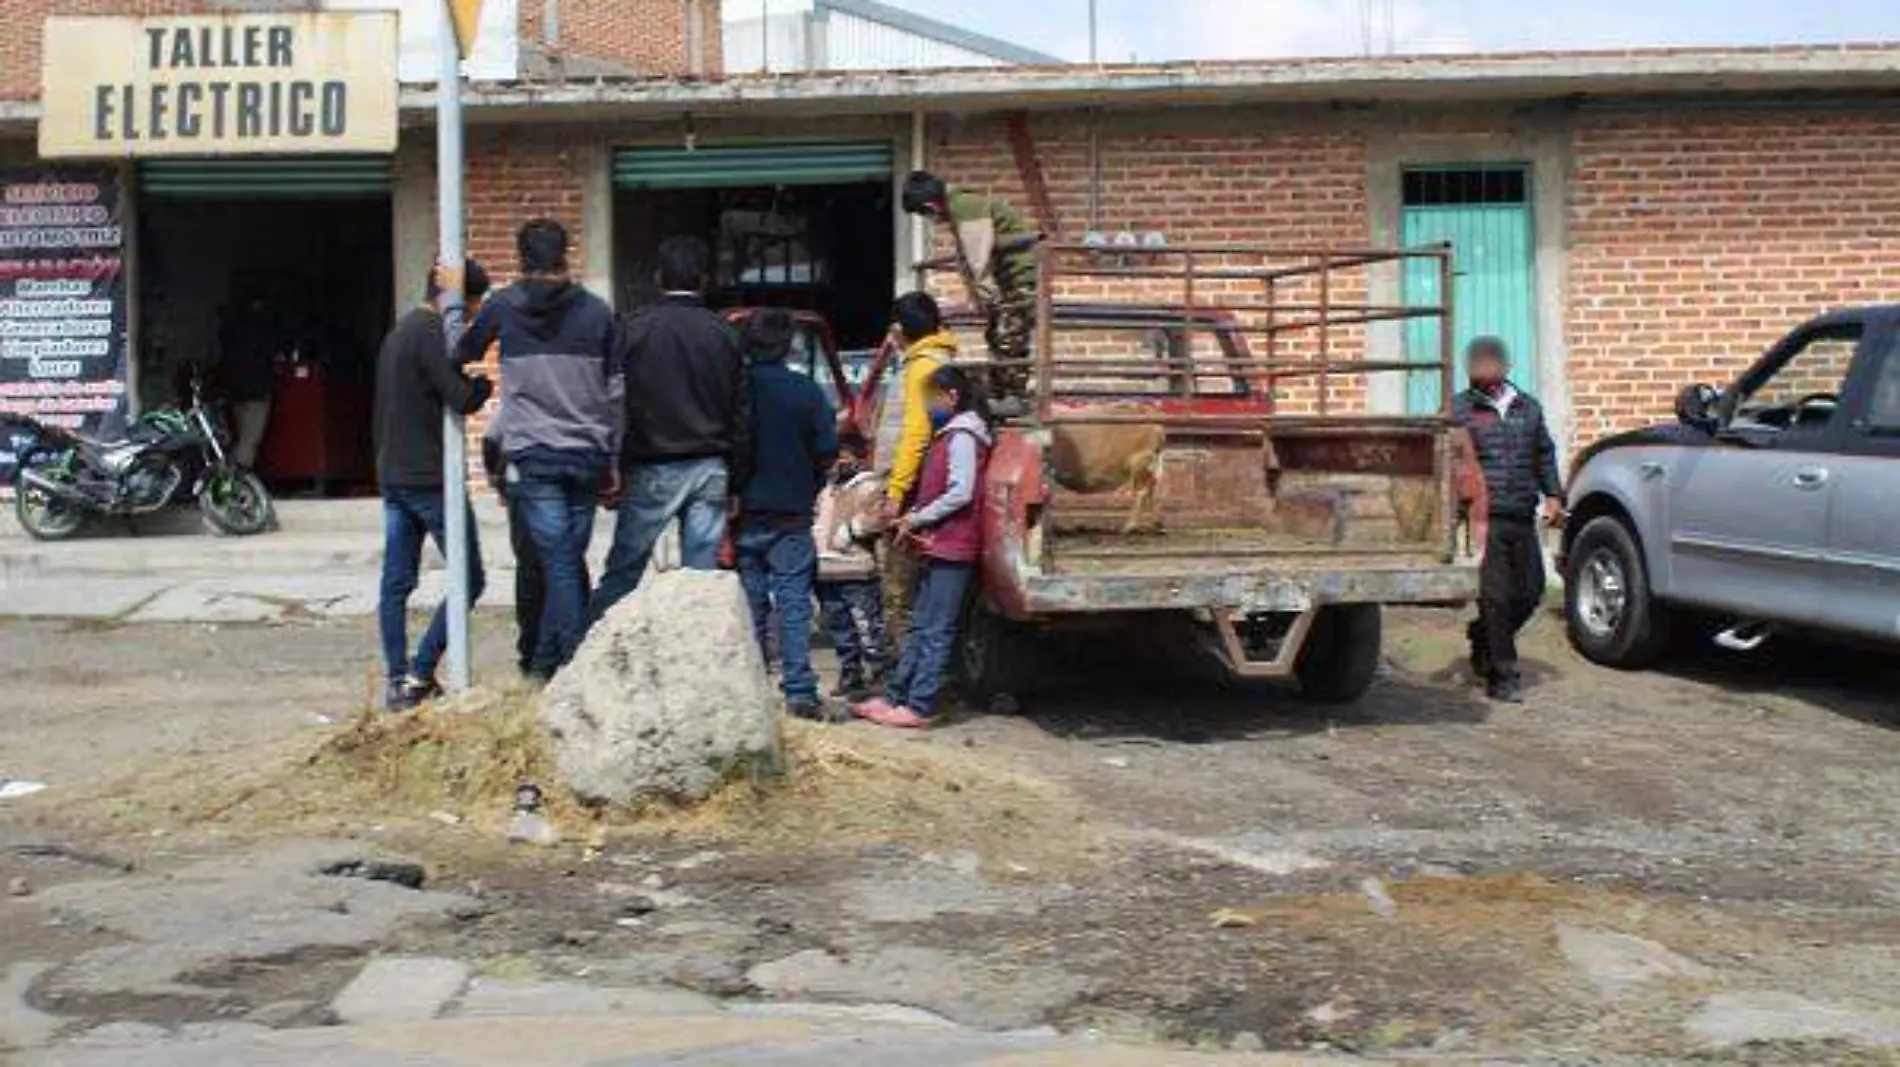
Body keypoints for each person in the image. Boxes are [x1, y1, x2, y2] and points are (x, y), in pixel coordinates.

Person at [461, 219, 621, 681]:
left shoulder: (503, 307)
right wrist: (614, 456)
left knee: (559, 561)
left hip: (535, 453)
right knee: (567, 558)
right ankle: (552, 661)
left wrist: (453, 305)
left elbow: (461, 352)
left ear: (520, 258)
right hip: (588, 452)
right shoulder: (597, 312)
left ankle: (568, 662)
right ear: (565, 257)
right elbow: (616, 392)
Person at [592, 235, 751, 618]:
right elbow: (742, 415)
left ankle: (587, 652)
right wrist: (739, 481)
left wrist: (612, 463)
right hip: (711, 466)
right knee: (701, 578)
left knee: (624, 570)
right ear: (705, 280)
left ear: (658, 277)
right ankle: (696, 659)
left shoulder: (632, 329)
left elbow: (612, 402)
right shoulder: (725, 334)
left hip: (650, 465)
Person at [373, 259, 495, 710]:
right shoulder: (429, 334)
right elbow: (459, 397)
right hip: (429, 478)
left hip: (394, 473)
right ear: (462, 303)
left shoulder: (399, 332)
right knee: (471, 578)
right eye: (475, 307)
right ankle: (421, 672)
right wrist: (482, 386)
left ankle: (396, 678)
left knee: (396, 582)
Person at [855, 364, 993, 730]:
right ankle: (896, 695)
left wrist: (917, 518)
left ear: (952, 397)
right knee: (922, 625)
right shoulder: (949, 434)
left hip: (955, 544)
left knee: (936, 628)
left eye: (932, 398)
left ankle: (921, 703)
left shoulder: (963, 436)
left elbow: (960, 492)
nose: (928, 406)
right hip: (940, 543)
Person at [732, 308, 839, 718]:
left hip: (743, 511)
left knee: (751, 602)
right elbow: (827, 450)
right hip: (792, 512)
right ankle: (799, 691)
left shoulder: (734, 390)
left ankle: (750, 689)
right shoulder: (806, 391)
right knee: (793, 604)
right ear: (787, 347)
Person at [1453, 337, 1564, 704]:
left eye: (1491, 362)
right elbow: (1448, 462)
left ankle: (1484, 635)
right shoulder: (1458, 411)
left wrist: (1553, 495)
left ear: (1505, 366)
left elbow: (1544, 453)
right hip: (1486, 518)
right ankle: (1503, 673)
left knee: (1531, 592)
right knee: (1496, 597)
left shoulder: (1528, 408)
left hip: (1522, 511)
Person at [900, 170, 1038, 407]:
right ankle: (1001, 394)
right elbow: (968, 258)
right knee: (998, 332)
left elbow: (977, 257)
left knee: (1009, 333)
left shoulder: (965, 206)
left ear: (931, 205)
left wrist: (984, 296)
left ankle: (1015, 396)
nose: (929, 219)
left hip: (1019, 274)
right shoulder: (959, 208)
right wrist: (978, 296)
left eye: (924, 214)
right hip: (1008, 276)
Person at [875, 291, 958, 641]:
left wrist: (896, 490)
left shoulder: (922, 367)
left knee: (899, 588)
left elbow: (916, 431)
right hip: (930, 486)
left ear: (900, 328)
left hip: (914, 490)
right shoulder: (938, 362)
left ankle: (905, 677)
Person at [481, 434, 589, 679]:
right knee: (565, 567)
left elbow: (494, 435)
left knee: (536, 570)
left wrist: (497, 476)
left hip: (527, 468)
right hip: (575, 462)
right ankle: (554, 655)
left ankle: (537, 658)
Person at [814, 434, 888, 700]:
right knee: (840, 627)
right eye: (837, 456)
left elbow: (877, 518)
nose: (840, 462)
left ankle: (880, 674)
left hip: (857, 569)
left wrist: (852, 529)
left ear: (859, 457)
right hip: (826, 570)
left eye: (846, 455)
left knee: (867, 624)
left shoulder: (870, 486)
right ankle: (850, 673)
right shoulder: (826, 489)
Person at [218, 293, 278, 469]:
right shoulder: (263, 328)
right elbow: (271, 354)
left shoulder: (230, 329)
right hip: (256, 391)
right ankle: (237, 480)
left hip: (236, 391)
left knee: (241, 435)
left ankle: (233, 476)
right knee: (249, 440)